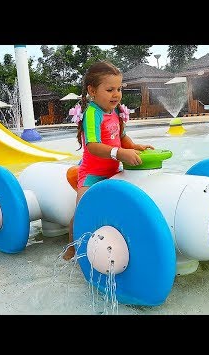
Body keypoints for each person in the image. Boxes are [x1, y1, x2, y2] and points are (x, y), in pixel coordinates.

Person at [63, 61, 154, 261]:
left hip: (113, 173)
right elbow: (93, 146)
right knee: (82, 212)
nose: (116, 94)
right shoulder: (92, 113)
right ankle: (72, 247)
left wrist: (133, 146)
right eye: (110, 89)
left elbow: (121, 137)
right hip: (92, 176)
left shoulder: (115, 112)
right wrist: (120, 153)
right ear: (92, 90)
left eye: (119, 89)